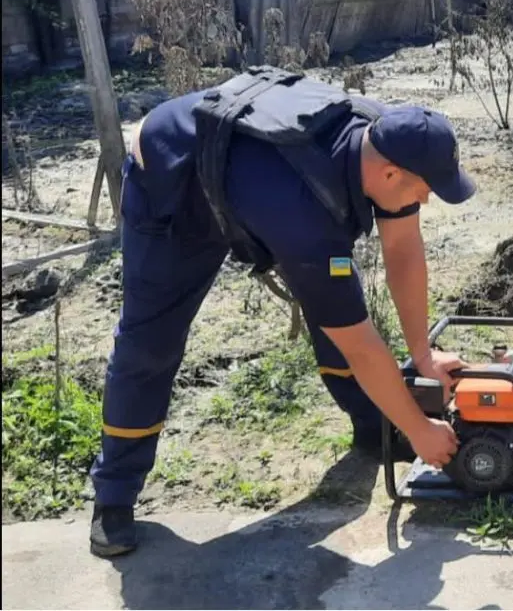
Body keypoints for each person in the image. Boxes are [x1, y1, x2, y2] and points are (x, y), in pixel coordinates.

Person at [87, 68, 476, 558]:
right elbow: (358, 341)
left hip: (253, 181)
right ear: (390, 174)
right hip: (173, 181)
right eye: (425, 189)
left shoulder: (386, 141)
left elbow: (403, 248)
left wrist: (423, 355)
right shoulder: (306, 216)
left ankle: (371, 426)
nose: (425, 199)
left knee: (338, 305)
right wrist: (420, 430)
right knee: (150, 344)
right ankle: (114, 495)